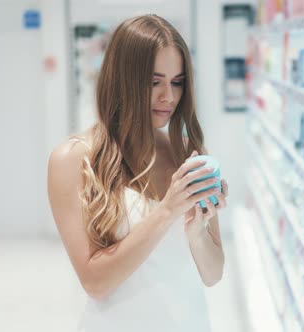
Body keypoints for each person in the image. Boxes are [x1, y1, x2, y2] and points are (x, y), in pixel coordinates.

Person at [47, 15, 228, 332]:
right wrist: (168, 210)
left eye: (177, 82)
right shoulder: (73, 159)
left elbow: (212, 275)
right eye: (153, 82)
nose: (168, 97)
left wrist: (198, 231)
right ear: (122, 79)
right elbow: (95, 282)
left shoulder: (186, 151)